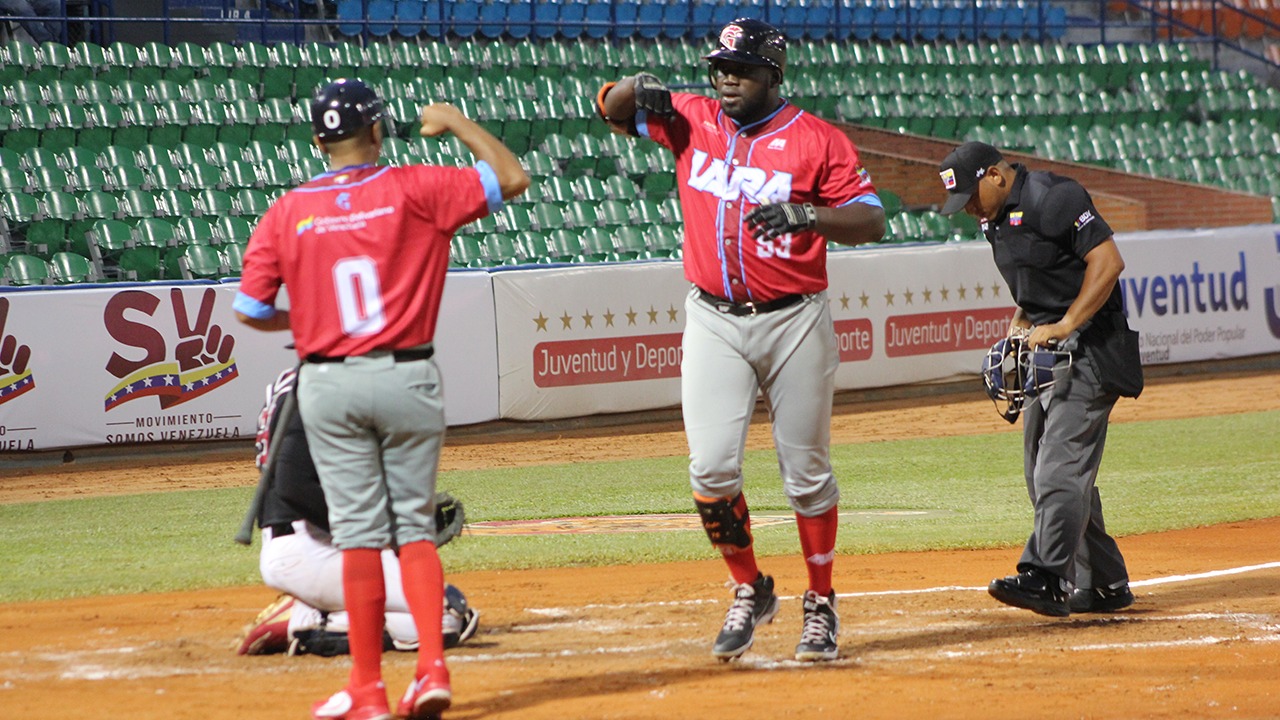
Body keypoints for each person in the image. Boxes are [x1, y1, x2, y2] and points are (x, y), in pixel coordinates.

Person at [233, 78, 529, 720]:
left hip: (331, 381)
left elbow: (250, 307)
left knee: (361, 542)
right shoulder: (417, 186)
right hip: (407, 376)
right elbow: (510, 176)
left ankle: (367, 690)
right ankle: (432, 671)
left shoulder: (288, 209)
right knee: (413, 534)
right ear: (378, 132)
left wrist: (309, 319)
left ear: (318, 141)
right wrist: (455, 120)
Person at [596, 19, 886, 663]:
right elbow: (610, 108)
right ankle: (750, 587)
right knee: (710, 468)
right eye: (721, 67)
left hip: (794, 318)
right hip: (713, 317)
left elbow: (872, 218)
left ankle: (820, 601)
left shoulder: (817, 140)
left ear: (773, 75)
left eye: (743, 68)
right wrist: (640, 85)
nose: (727, 78)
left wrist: (810, 214)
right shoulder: (691, 117)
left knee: (806, 474)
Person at [937, 141, 1143, 617]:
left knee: (1059, 468)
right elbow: (1039, 280)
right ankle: (1106, 582)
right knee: (1045, 473)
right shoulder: (993, 221)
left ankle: (1046, 577)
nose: (968, 208)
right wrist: (1022, 322)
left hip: (1091, 348)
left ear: (995, 175)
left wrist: (1067, 323)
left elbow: (1108, 263)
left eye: (970, 195)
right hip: (1046, 354)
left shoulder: (1054, 198)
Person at [234, 366, 479, 659]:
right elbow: (294, 487)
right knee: (445, 611)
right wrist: (384, 530)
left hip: (315, 540)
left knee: (433, 599)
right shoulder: (321, 386)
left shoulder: (303, 379)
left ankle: (330, 611)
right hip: (306, 548)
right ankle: (309, 620)